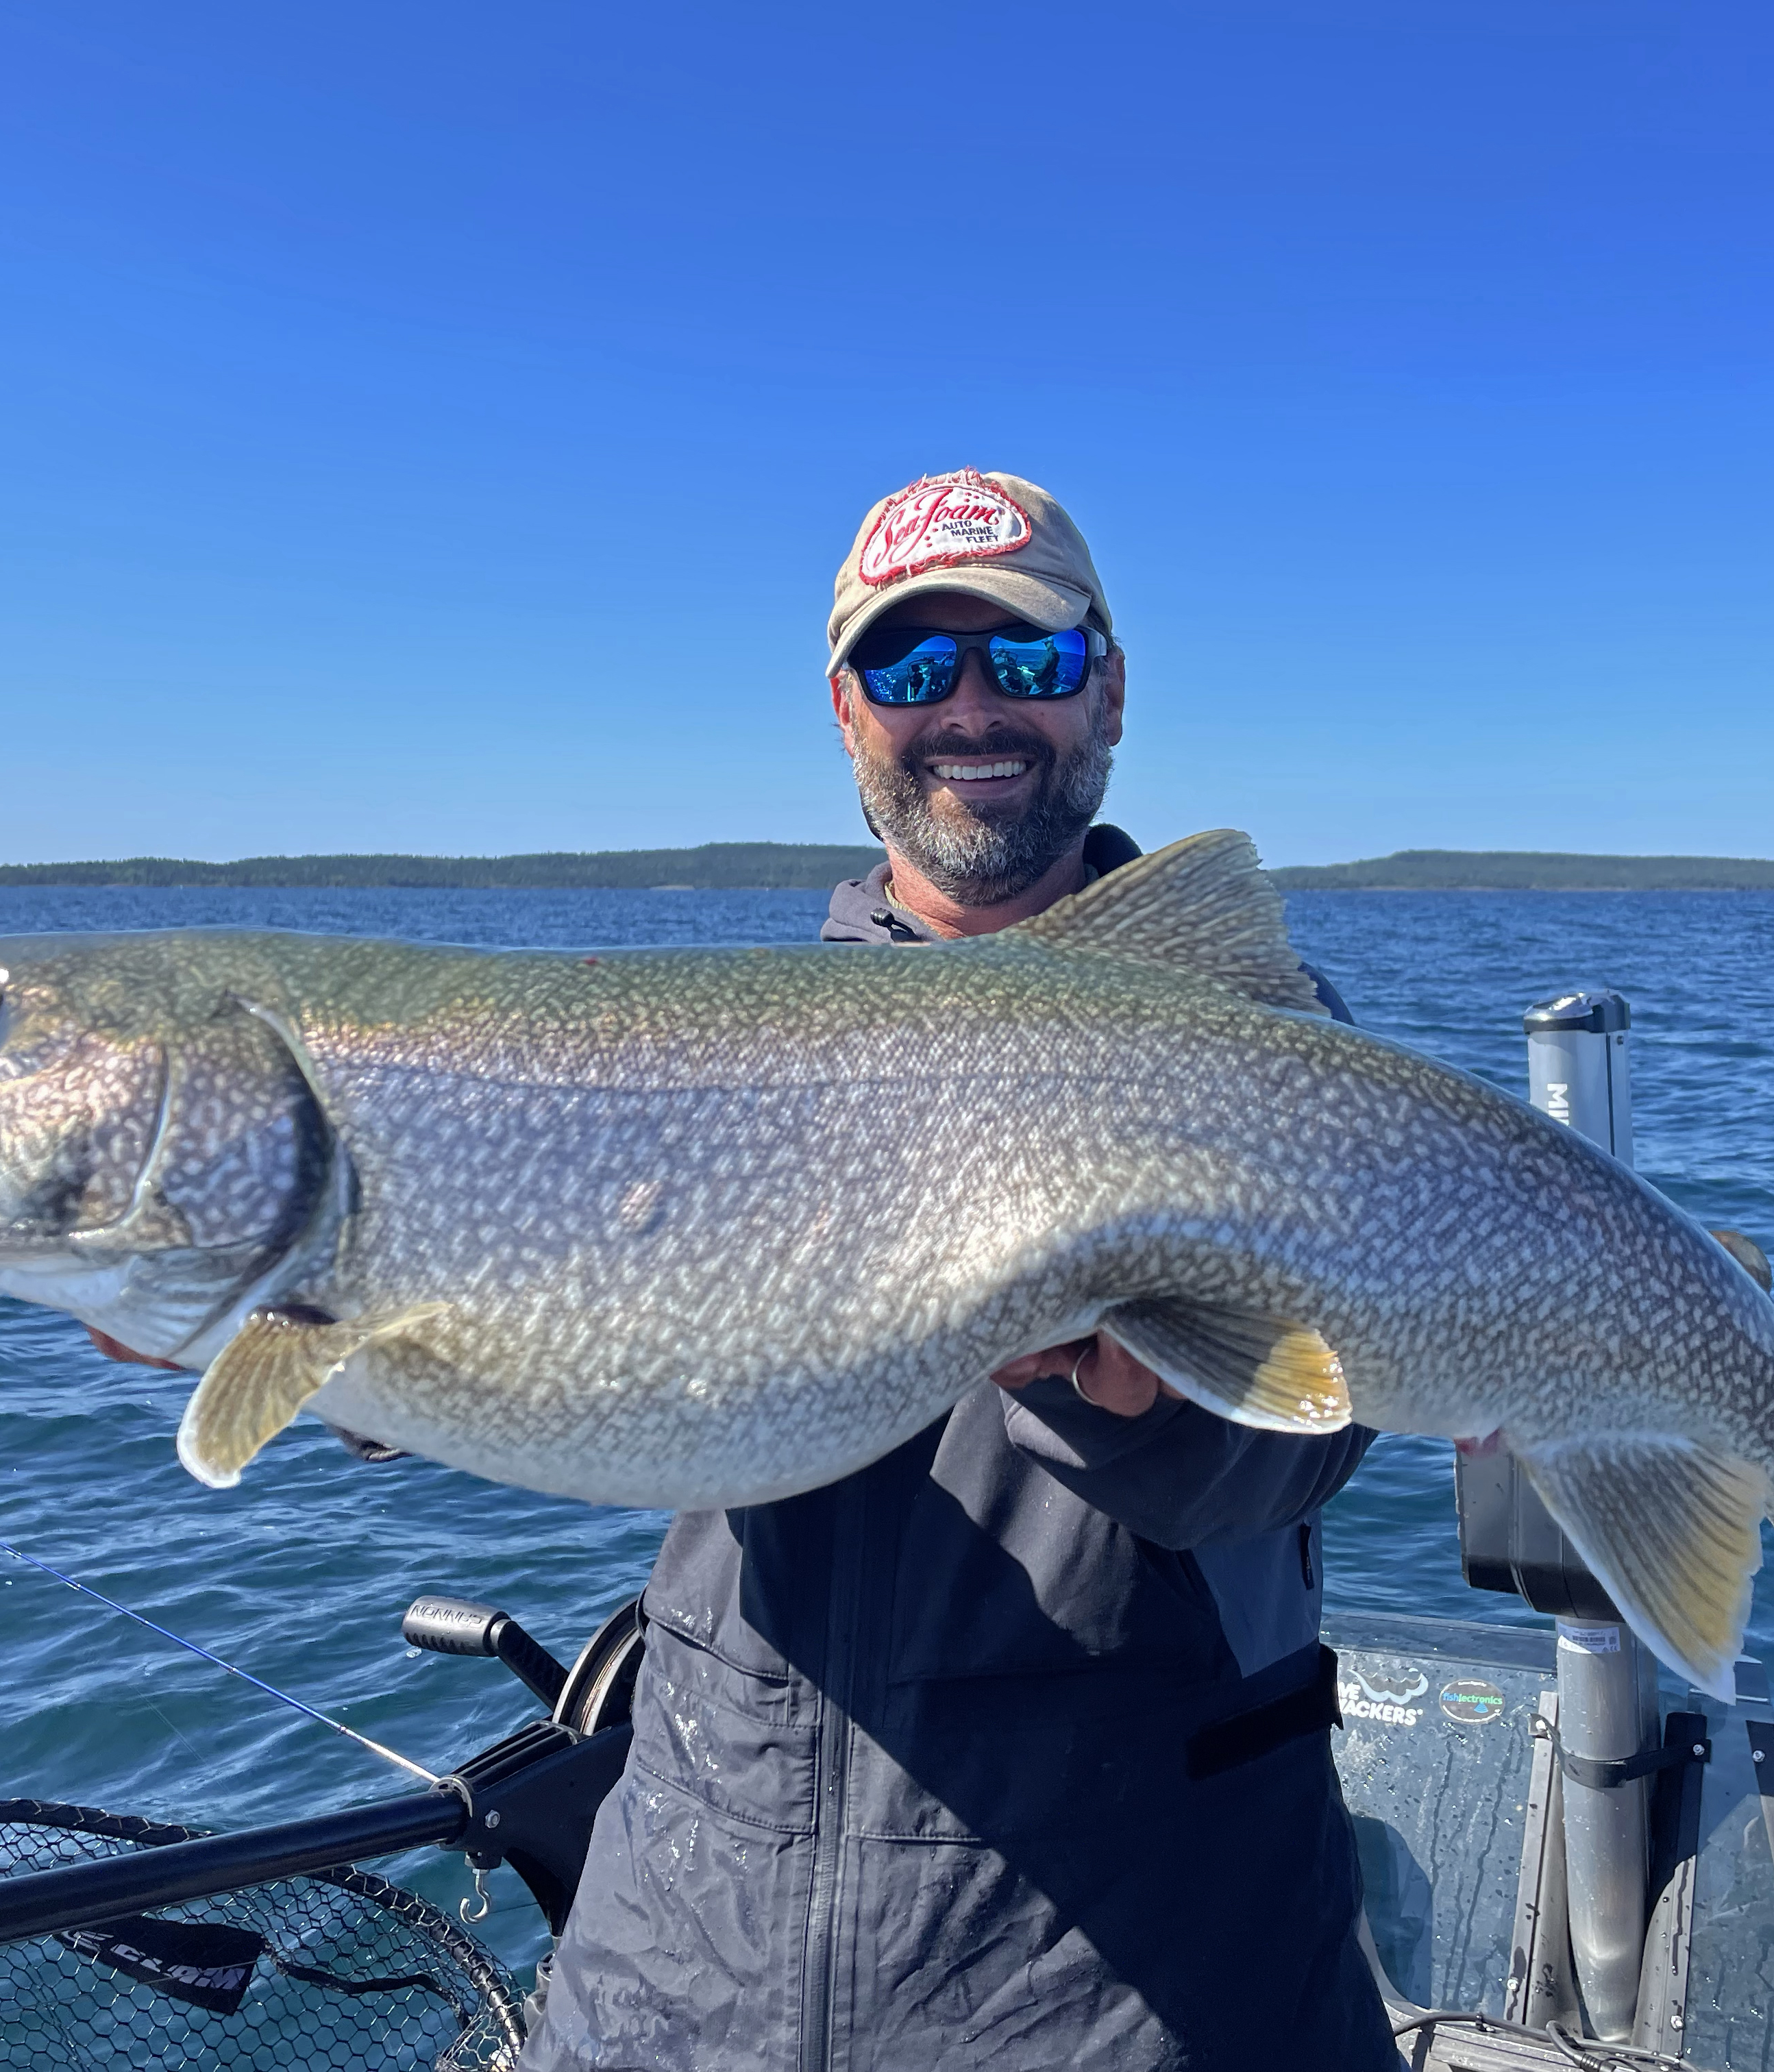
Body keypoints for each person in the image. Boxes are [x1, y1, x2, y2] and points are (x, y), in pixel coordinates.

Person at [519, 470, 1390, 2071]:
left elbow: (1304, 1447)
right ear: (849, 711)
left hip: (1140, 1986)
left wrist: (1145, 1398)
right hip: (683, 1969)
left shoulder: (1264, 1042)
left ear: (1109, 689)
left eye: (1029, 663)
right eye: (916, 670)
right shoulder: (709, 1059)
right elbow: (543, 1342)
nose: (972, 711)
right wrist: (310, 1326)